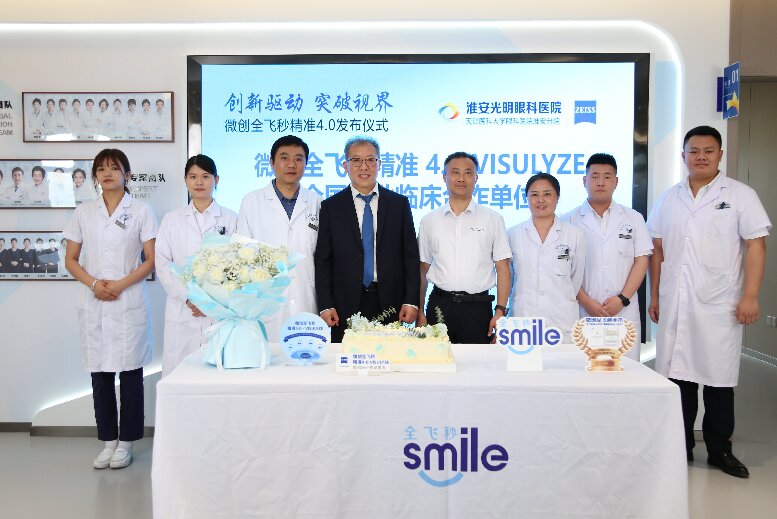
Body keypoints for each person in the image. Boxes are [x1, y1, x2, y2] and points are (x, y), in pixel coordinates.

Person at [647, 125, 771, 477]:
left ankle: (720, 450)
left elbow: (756, 246)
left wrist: (750, 296)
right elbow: (658, 251)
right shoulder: (668, 198)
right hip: (675, 301)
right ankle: (680, 446)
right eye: (694, 151)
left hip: (720, 304)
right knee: (678, 379)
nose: (700, 157)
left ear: (720, 155)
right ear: (683, 156)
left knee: (718, 380)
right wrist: (655, 295)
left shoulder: (741, 195)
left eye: (708, 151)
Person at [63, 148, 157, 470]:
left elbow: (151, 260)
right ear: (95, 176)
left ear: (126, 175)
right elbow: (71, 260)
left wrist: (118, 285)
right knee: (100, 374)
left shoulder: (141, 210)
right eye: (101, 169)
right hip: (94, 299)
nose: (107, 173)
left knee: (130, 374)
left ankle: (127, 442)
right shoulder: (83, 212)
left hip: (127, 299)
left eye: (114, 168)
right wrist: (95, 285)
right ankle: (108, 441)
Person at [315, 136, 420, 343]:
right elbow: (323, 261)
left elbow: (410, 257)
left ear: (379, 164)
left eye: (371, 160)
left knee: (389, 357)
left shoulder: (398, 204)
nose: (364, 166)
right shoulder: (331, 207)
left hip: (390, 301)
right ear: (345, 166)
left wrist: (411, 301)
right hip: (344, 304)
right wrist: (326, 304)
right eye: (356, 160)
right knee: (347, 358)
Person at [562, 153, 652, 360]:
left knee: (625, 372)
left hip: (623, 312)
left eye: (607, 176)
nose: (600, 182)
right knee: (585, 371)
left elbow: (641, 260)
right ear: (584, 180)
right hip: (583, 311)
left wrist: (622, 299)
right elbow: (565, 269)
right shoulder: (568, 220)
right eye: (594, 176)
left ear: (616, 182)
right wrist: (586, 302)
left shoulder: (633, 218)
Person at [417, 152, 512, 343]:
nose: (461, 178)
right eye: (455, 172)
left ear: (476, 178)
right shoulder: (429, 221)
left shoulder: (493, 219)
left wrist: (500, 311)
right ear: (444, 177)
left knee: (478, 361)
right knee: (436, 360)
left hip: (478, 308)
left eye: (468, 173)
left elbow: (503, 268)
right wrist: (420, 311)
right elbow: (422, 269)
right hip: (439, 305)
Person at [156, 155, 237, 375]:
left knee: (217, 375)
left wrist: (210, 301)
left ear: (216, 180)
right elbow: (163, 263)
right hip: (183, 309)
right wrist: (188, 297)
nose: (199, 182)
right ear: (185, 180)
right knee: (180, 374)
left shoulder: (231, 219)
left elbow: (237, 265)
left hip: (218, 311)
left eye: (205, 176)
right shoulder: (171, 220)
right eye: (193, 177)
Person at [236, 135, 321, 343]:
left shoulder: (316, 202)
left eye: (299, 159)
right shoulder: (252, 201)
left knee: (304, 356)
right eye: (284, 158)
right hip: (265, 303)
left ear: (306, 164)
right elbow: (241, 255)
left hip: (305, 299)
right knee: (267, 358)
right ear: (272, 162)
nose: (292, 164)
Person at [507, 173, 585, 342]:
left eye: (547, 194)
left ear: (557, 197)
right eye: (534, 194)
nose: (540, 200)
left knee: (562, 359)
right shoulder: (512, 234)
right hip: (523, 320)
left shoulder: (574, 235)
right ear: (527, 198)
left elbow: (575, 279)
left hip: (561, 321)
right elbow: (509, 279)